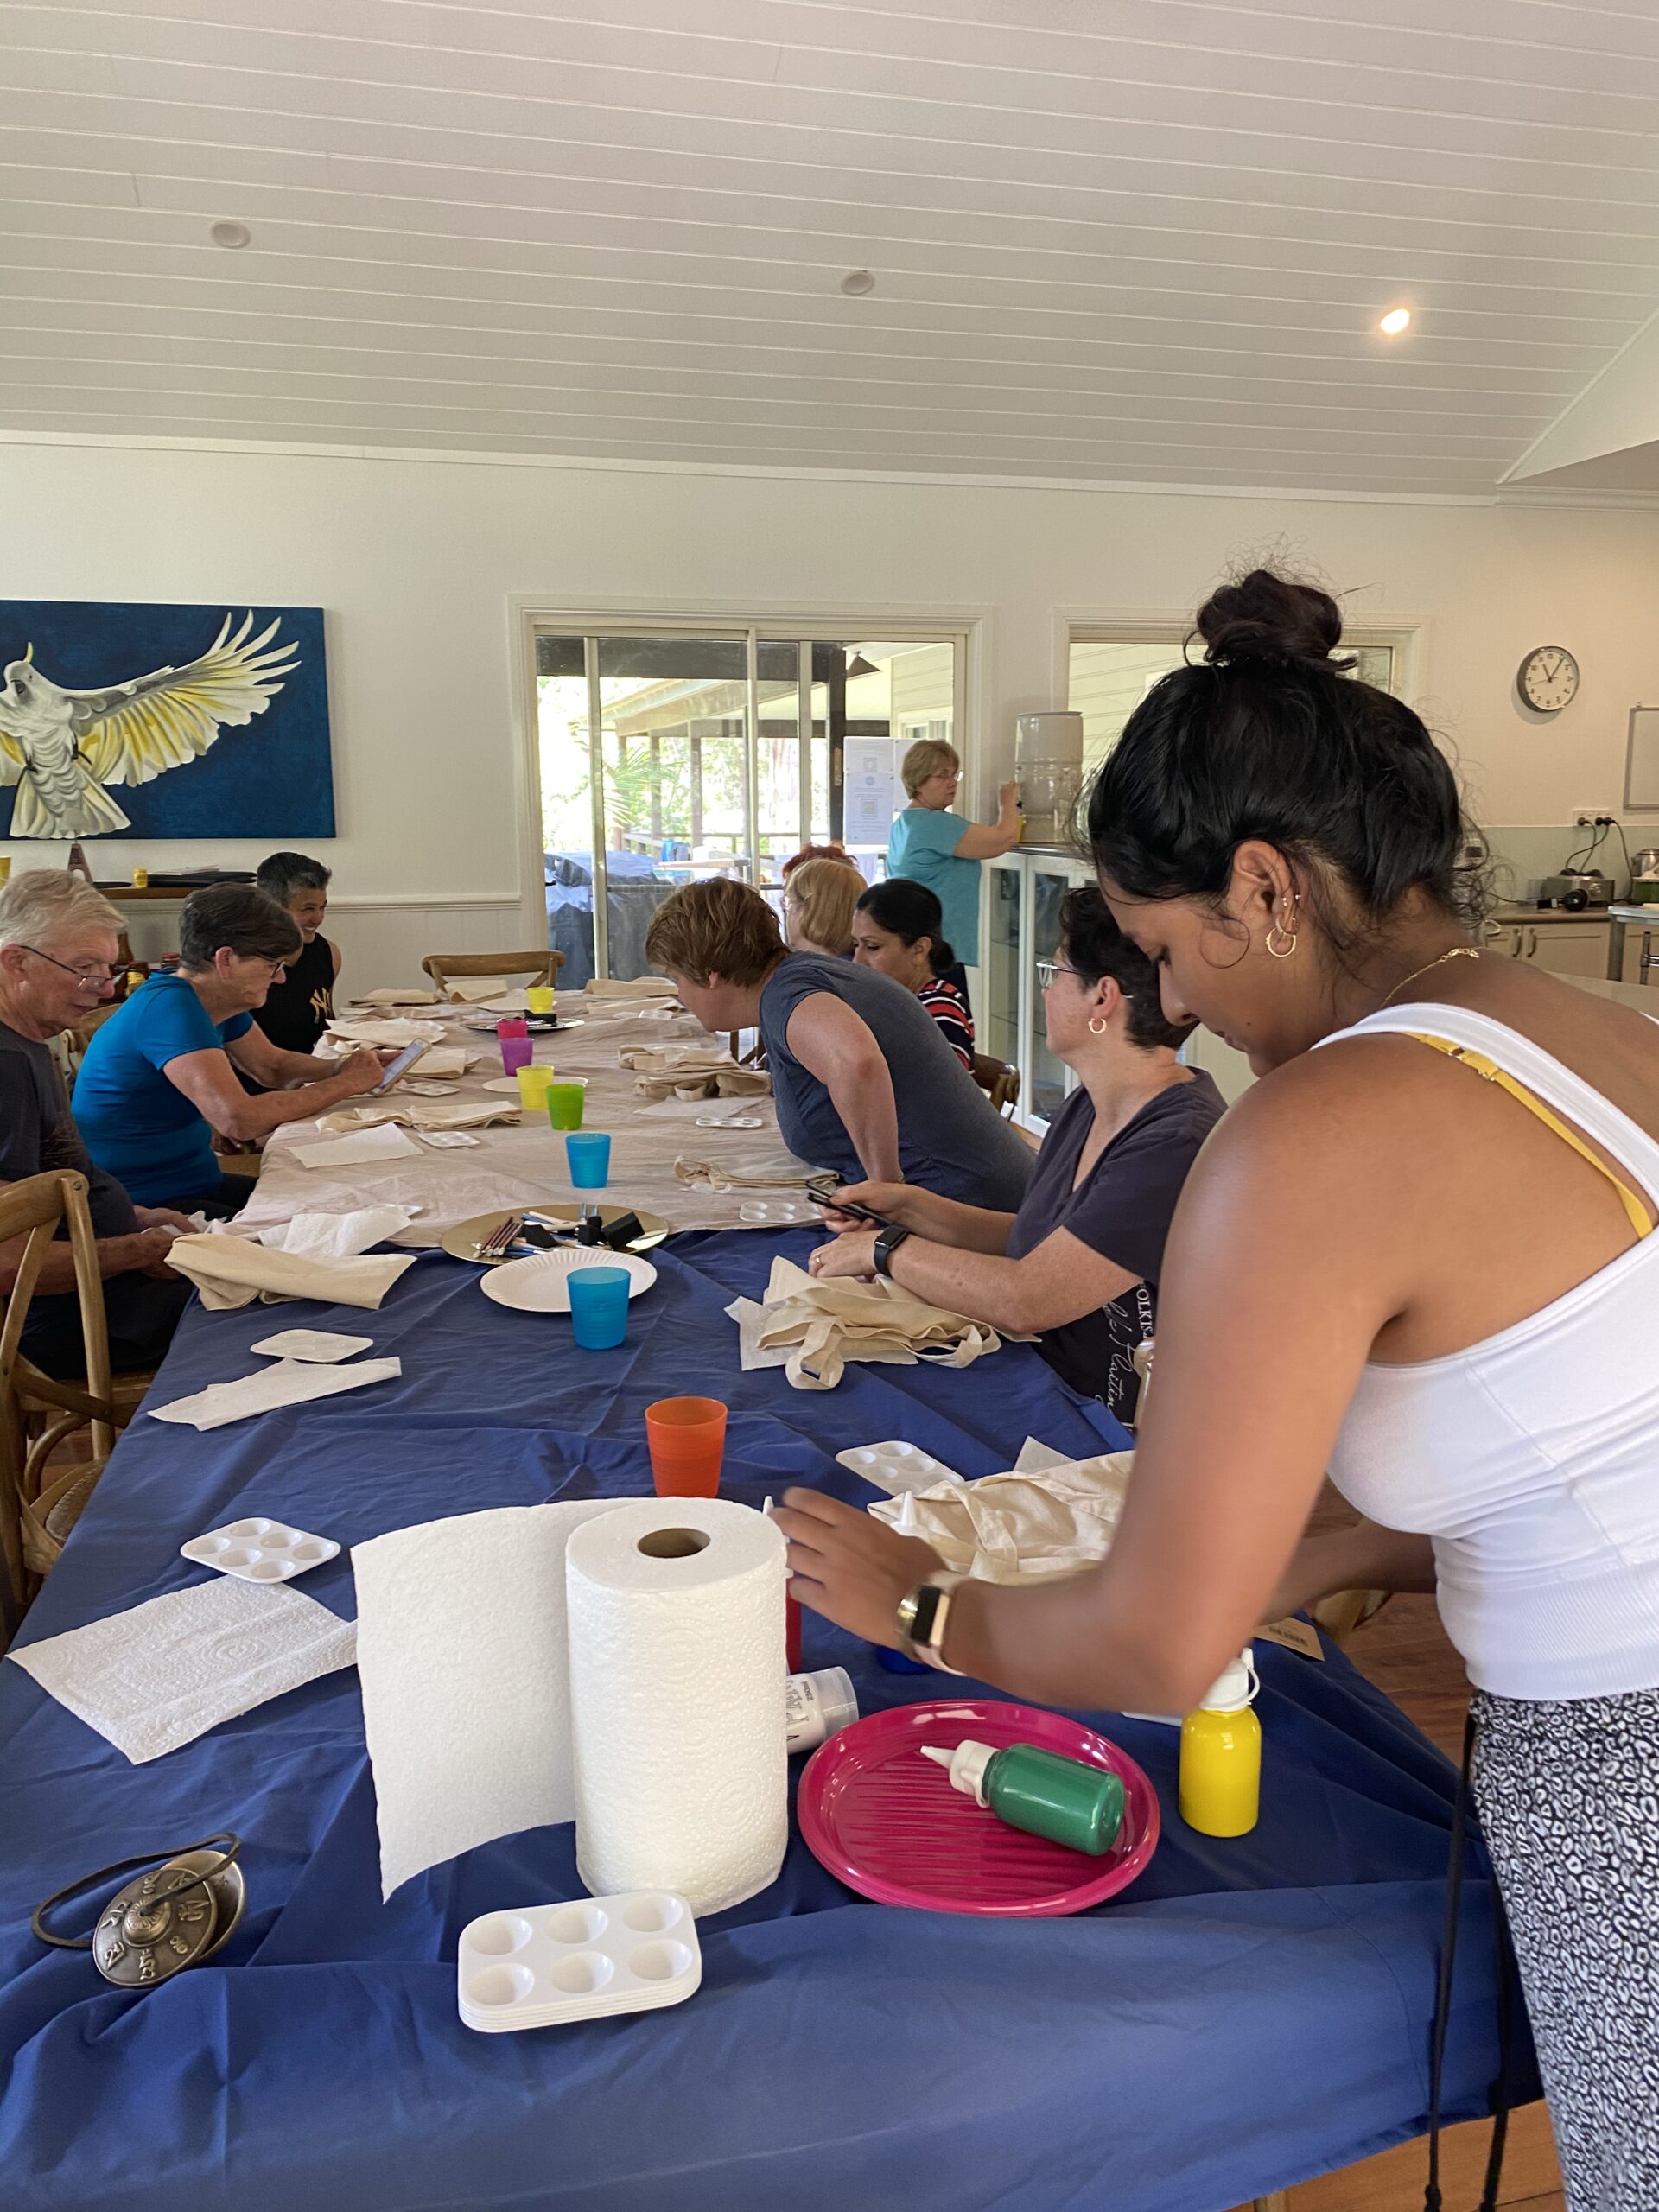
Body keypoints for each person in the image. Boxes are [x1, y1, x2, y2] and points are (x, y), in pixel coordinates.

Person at [777, 569, 1659, 2211]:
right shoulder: (1601, 1037)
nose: (1174, 1004)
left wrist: (925, 1609)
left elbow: (1159, 1648)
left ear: (1265, 887)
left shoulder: (1317, 1127)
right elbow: (1591, 1431)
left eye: (1175, 950)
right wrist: (1330, 1553)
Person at [817, 887, 1224, 1421]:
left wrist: (887, 1249)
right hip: (1039, 1377)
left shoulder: (1173, 1145)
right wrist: (910, 1208)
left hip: (1109, 1428)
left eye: (1055, 975)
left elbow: (1027, 1298)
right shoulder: (1091, 1103)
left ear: (1102, 999)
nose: (1047, 992)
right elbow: (1040, 1243)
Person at [644, 876, 1033, 1209]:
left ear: (710, 975)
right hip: (982, 1196)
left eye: (677, 979)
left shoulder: (786, 995)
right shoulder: (797, 977)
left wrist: (885, 1195)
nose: (680, 994)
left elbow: (858, 1063)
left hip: (977, 1210)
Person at [73, 883, 387, 1217]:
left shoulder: (207, 997)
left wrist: (345, 1067)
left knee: (351, 1200)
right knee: (337, 1219)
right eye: (272, 965)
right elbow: (239, 1120)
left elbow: (272, 1066)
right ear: (226, 960)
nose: (279, 979)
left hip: (191, 1180)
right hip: (143, 1203)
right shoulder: (171, 1008)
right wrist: (347, 1084)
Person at [0, 872, 194, 1376]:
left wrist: (132, 1214)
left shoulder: (28, 1037)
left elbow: (48, 1178)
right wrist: (135, 1250)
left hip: (97, 1289)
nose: (106, 988)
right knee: (282, 1310)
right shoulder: (6, 1064)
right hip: (70, 1320)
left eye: (108, 968)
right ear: (16, 961)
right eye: (85, 968)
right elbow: (6, 1260)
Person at [884, 739, 1020, 1002]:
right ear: (918, 780)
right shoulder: (934, 825)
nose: (952, 782)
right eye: (941, 775)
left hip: (916, 950)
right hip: (939, 954)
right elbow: (1003, 839)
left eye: (954, 774)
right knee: (951, 1030)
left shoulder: (903, 824)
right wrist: (1008, 804)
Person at [850, 877, 974, 1069]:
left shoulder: (940, 1009)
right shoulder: (893, 1003)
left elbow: (940, 1096)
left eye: (872, 947)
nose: (857, 961)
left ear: (919, 950)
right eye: (856, 945)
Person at [251, 851, 340, 1053]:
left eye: (322, 907)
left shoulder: (329, 953)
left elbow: (323, 1025)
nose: (318, 918)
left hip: (315, 1070)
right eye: (308, 909)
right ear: (272, 908)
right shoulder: (247, 964)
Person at [782, 855, 863, 959]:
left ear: (810, 908)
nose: (785, 911)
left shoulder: (808, 972)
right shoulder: (857, 966)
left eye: (787, 901)